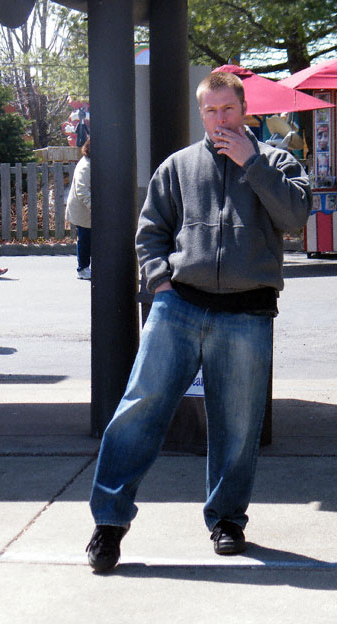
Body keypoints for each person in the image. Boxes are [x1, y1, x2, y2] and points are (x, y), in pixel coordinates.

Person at [86, 72, 312, 573]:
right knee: (139, 408)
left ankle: (227, 520)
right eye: (209, 112)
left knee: (237, 424)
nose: (219, 121)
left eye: (227, 110)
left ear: (245, 109)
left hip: (247, 313)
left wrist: (251, 164)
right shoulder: (179, 166)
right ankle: (108, 524)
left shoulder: (276, 162)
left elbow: (296, 216)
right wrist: (160, 282)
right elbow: (151, 230)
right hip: (178, 307)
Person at [66, 137, 91, 280]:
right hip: (82, 211)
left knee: (88, 239)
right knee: (84, 239)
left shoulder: (89, 162)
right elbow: (81, 190)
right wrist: (94, 207)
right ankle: (82, 269)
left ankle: (85, 267)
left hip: (86, 210)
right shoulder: (85, 166)